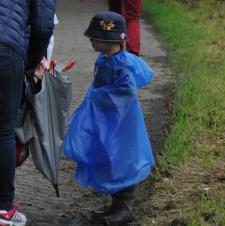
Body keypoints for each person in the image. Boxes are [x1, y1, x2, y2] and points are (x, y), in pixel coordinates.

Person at [64, 12, 154, 225]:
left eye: (95, 38)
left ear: (110, 40)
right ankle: (115, 206)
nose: (91, 41)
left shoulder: (121, 64)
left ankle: (125, 208)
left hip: (123, 123)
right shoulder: (104, 59)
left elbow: (127, 90)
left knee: (123, 159)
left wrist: (100, 97)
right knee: (110, 157)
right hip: (109, 120)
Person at [0, 0, 56, 225]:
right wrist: (31, 61)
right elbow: (43, 25)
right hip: (6, 48)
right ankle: (3, 209)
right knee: (3, 130)